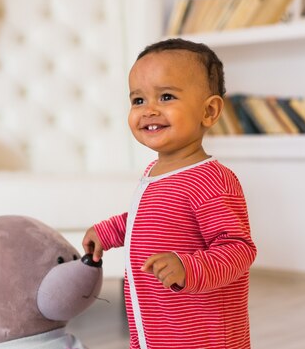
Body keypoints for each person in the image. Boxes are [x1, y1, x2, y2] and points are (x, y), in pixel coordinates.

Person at [82, 38, 257, 349]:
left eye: (165, 97)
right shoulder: (154, 171)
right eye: (138, 100)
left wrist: (188, 267)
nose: (148, 110)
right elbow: (147, 220)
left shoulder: (212, 181)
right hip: (156, 326)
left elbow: (238, 249)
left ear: (209, 110)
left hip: (204, 336)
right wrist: (108, 231)